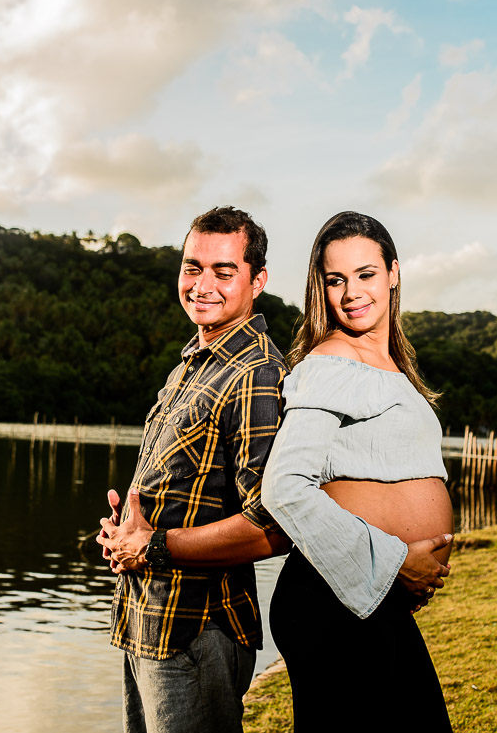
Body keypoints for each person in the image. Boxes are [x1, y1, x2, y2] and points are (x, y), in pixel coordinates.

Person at [98, 206, 291, 733]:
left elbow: (274, 526)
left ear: (258, 280)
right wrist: (123, 534)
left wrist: (153, 544)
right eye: (192, 267)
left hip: (196, 632)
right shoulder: (191, 364)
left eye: (223, 271)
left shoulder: (255, 373)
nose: (203, 284)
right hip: (145, 619)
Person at [262, 210, 455, 731]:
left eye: (365, 274)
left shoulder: (386, 363)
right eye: (335, 280)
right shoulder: (332, 363)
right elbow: (283, 488)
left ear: (393, 272)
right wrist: (394, 561)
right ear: (320, 288)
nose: (351, 293)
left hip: (364, 603)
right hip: (331, 602)